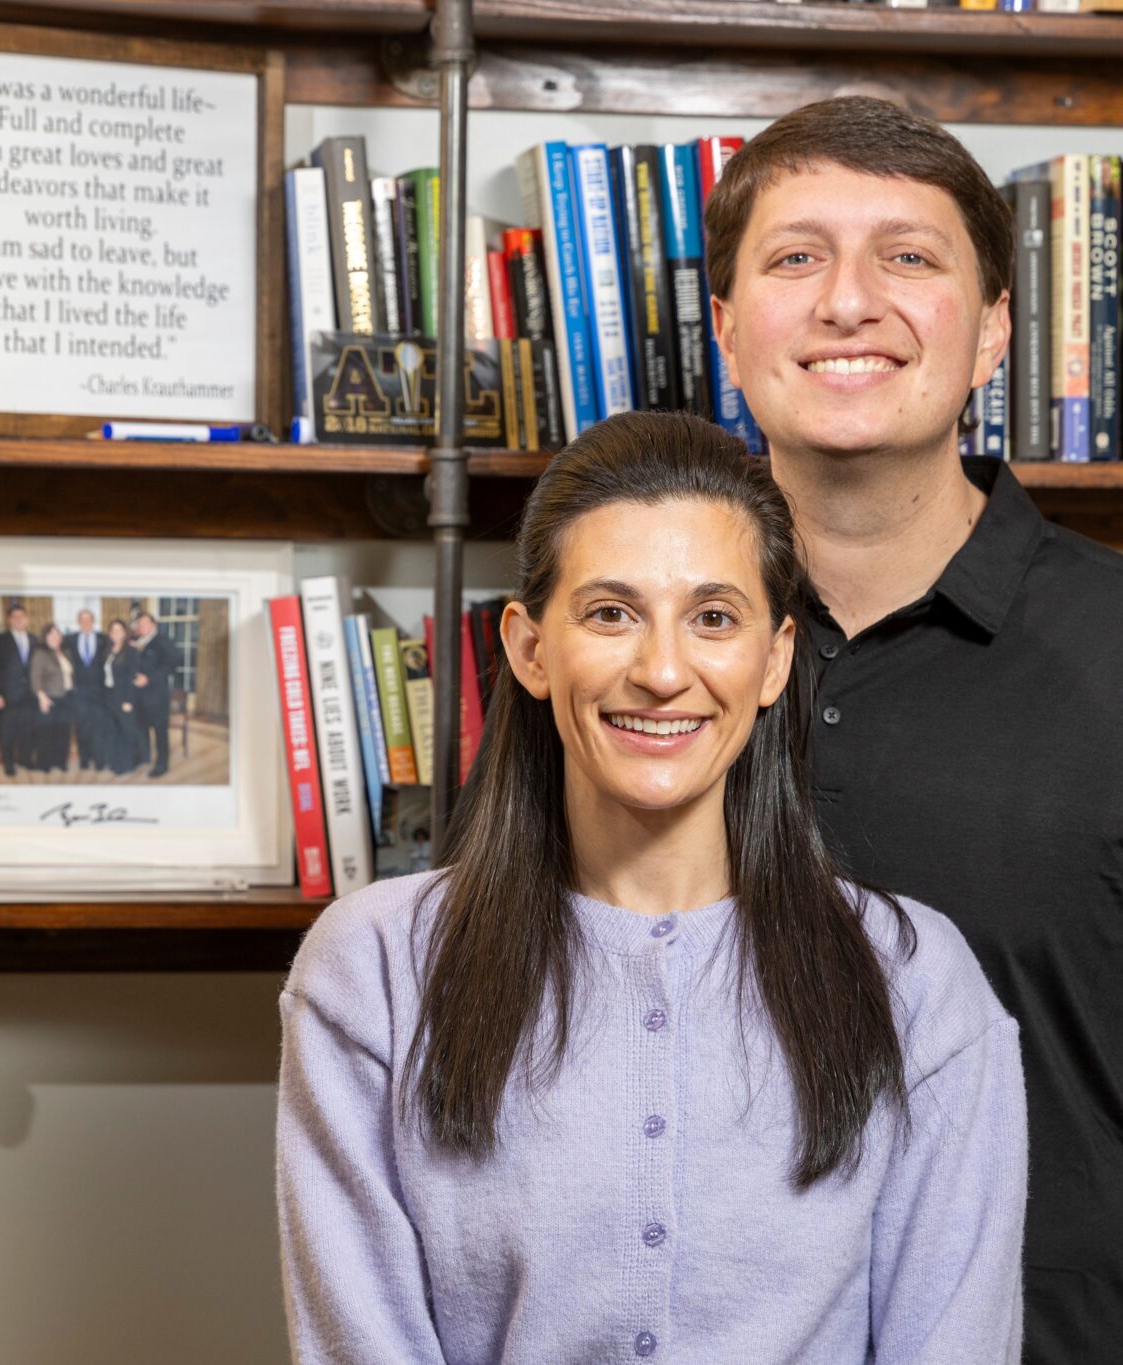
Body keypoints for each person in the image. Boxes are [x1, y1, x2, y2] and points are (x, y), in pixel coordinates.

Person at [704, 96, 1123, 1364]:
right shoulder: (621, 661)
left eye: (909, 257)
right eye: (793, 257)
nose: (846, 303)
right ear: (725, 327)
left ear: (992, 332)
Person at [277, 412, 1027, 1364]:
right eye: (610, 612)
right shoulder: (373, 970)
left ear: (775, 659)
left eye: (714, 617)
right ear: (529, 649)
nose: (663, 671)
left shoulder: (919, 982)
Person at [0, 603, 38, 778]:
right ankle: (8, 764)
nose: (19, 620)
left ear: (27, 619)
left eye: (22, 616)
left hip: (30, 695)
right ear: (9, 620)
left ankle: (25, 759)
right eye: (15, 617)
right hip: (7, 695)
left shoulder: (34, 640)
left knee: (28, 730)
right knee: (7, 731)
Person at [128, 611, 178, 778]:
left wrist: (149, 678)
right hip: (138, 697)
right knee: (140, 729)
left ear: (153, 625)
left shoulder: (162, 641)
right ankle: (143, 757)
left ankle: (162, 764)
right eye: (139, 624)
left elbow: (171, 665)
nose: (141, 627)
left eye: (145, 623)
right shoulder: (137, 642)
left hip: (156, 697)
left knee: (160, 732)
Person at [62, 609, 109, 770]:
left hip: (99, 691)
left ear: (93, 621)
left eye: (88, 620)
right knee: (82, 727)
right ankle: (84, 759)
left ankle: (99, 760)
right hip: (79, 692)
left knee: (98, 726)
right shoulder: (69, 639)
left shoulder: (103, 638)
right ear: (78, 622)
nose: (86, 623)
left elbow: (119, 646)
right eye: (82, 620)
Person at [26, 624, 76, 773]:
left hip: (66, 697)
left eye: (57, 634)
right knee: (47, 732)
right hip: (49, 698)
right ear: (45, 637)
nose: (55, 637)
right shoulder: (40, 653)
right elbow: (35, 677)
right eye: (51, 634)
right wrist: (42, 698)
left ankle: (61, 761)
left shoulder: (66, 652)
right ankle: (45, 763)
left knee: (63, 731)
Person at [99, 618, 145, 774]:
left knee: (126, 730)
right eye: (113, 630)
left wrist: (128, 700)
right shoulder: (107, 650)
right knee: (112, 729)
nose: (115, 633)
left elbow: (132, 677)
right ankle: (114, 761)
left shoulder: (131, 651)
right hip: (109, 695)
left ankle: (126, 764)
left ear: (125, 633)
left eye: (119, 630)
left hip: (124, 696)